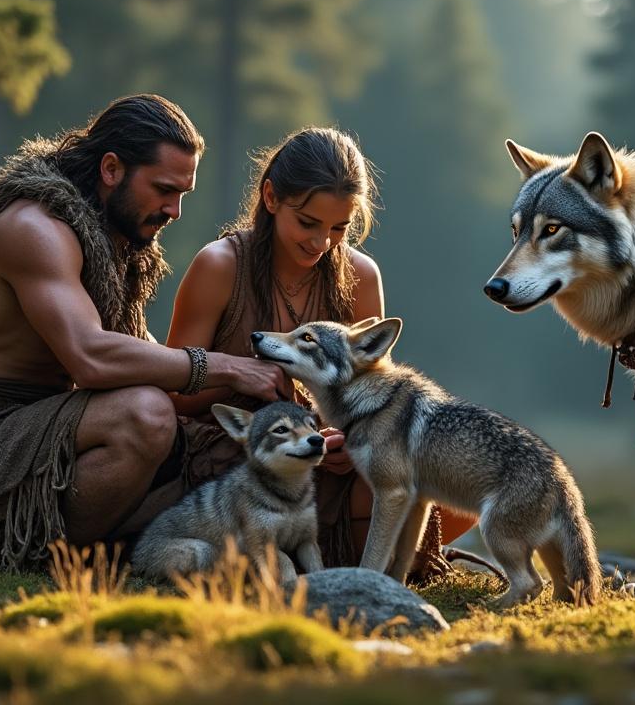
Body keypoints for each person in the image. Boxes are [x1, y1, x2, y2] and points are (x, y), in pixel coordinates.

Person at [0, 94, 287, 571]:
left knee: (225, 459)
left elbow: (138, 360)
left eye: (183, 193)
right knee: (145, 415)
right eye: (164, 189)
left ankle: (119, 553)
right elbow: (92, 358)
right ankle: (42, 561)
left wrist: (255, 403)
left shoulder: (107, 241)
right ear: (111, 169)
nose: (175, 210)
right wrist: (224, 366)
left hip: (38, 445)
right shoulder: (36, 230)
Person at [165, 126, 476, 572]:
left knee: (464, 490)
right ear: (271, 198)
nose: (322, 242)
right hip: (239, 461)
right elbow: (177, 397)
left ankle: (322, 559)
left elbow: (374, 393)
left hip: (326, 464)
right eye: (308, 223)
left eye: (339, 228)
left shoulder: (361, 276)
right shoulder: (220, 265)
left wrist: (347, 440)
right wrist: (240, 374)